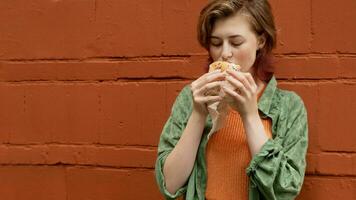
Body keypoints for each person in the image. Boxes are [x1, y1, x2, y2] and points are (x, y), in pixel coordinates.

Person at [155, 0, 308, 199]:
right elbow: (170, 185)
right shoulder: (191, 97)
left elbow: (284, 192)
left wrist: (250, 115)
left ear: (260, 41)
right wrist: (198, 114)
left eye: (236, 42)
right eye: (216, 43)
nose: (224, 54)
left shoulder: (290, 107)